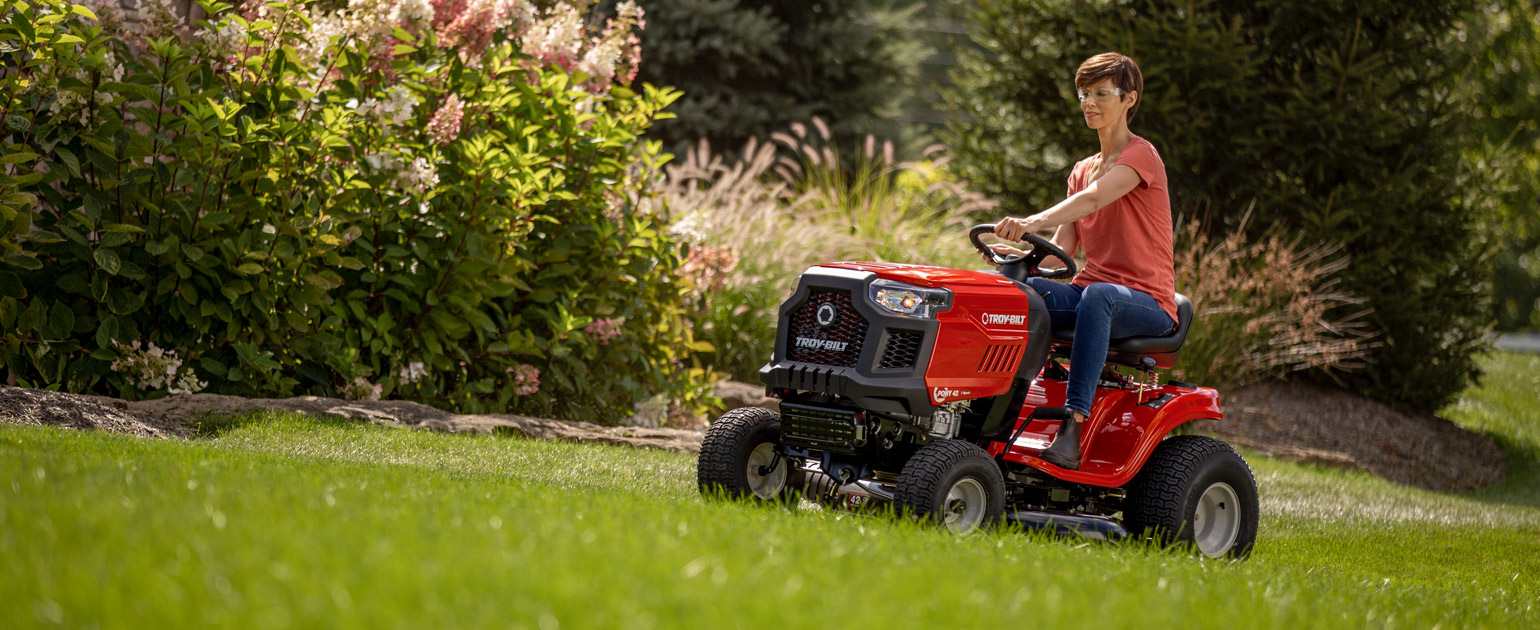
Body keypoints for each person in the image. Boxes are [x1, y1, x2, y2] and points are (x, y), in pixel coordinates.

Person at [985, 52, 1177, 471]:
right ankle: (988, 410)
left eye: (1101, 94)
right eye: (1084, 94)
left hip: (1147, 303)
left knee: (1100, 297)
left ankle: (1072, 427)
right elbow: (1062, 251)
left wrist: (1030, 219)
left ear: (1129, 99)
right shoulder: (1080, 170)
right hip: (1091, 290)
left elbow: (1093, 199)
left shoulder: (1141, 157)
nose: (1089, 102)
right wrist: (1018, 264)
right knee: (1014, 293)